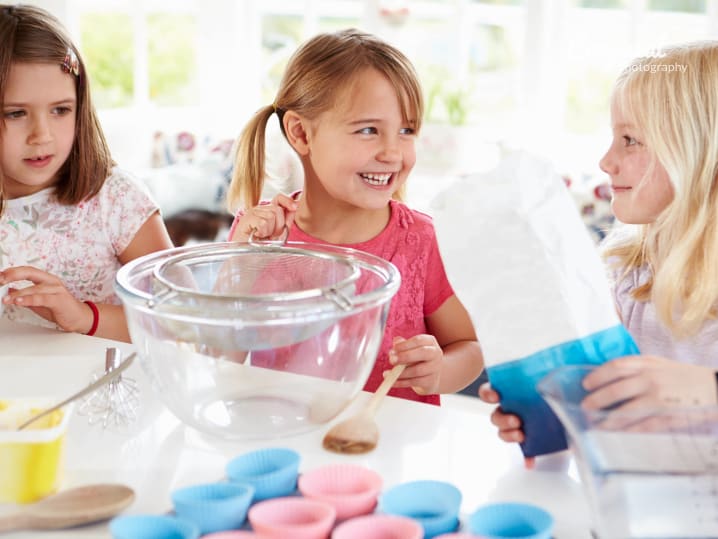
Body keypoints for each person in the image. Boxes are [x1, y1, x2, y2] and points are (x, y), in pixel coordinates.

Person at [480, 41, 718, 456]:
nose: (607, 160)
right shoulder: (626, 272)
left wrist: (706, 390)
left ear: (698, 153)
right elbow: (609, 418)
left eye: (631, 140)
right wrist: (551, 416)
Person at [226, 29, 484, 405]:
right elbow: (218, 360)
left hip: (387, 452)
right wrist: (239, 265)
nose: (393, 152)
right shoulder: (257, 241)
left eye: (406, 130)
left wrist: (440, 369)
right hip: (284, 437)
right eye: (368, 130)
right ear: (301, 134)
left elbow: (470, 346)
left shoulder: (422, 241)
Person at [0, 5, 172, 342]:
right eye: (16, 113)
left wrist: (82, 317)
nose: (42, 135)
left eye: (61, 110)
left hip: (102, 389)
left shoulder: (117, 200)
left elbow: (179, 321)